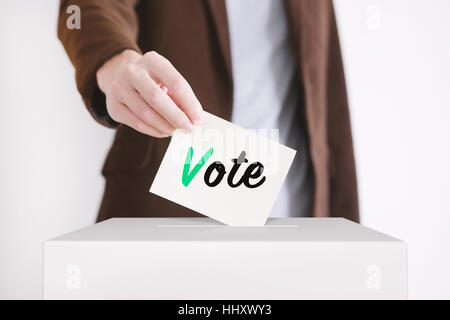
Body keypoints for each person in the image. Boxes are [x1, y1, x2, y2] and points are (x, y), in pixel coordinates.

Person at [57, 0, 359, 223]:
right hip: (169, 211)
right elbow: (83, 9)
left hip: (295, 214)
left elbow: (328, 92)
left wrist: (347, 228)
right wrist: (117, 60)